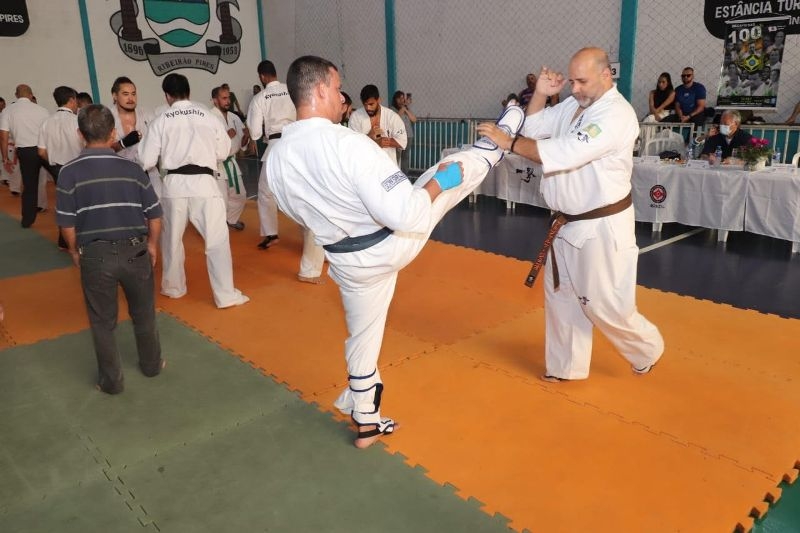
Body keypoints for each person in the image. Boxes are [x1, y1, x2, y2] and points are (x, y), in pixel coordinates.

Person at [267, 55, 525, 448]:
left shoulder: (276, 158)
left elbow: (293, 211)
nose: (342, 97)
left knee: (362, 335)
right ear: (319, 90)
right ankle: (496, 143)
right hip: (387, 246)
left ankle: (367, 420)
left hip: (345, 262)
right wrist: (440, 184)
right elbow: (407, 214)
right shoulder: (348, 144)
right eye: (337, 88)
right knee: (447, 170)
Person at [476, 47, 664, 382]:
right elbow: (534, 127)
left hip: (600, 225)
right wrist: (540, 94)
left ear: (606, 75)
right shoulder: (574, 104)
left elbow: (563, 152)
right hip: (565, 221)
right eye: (572, 81)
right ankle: (566, 367)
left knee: (603, 304)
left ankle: (647, 350)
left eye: (581, 81)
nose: (574, 88)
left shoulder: (614, 115)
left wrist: (508, 142)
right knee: (561, 296)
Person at [55, 104, 164, 394]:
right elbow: (155, 214)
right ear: (114, 133)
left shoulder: (68, 173)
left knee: (102, 321)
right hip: (136, 251)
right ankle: (152, 365)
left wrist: (75, 251)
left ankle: (112, 382)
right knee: (144, 313)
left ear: (80, 134)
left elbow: (66, 223)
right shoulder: (133, 169)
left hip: (96, 255)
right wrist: (152, 245)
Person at [138, 73, 249, 309]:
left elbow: (146, 160)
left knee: (172, 241)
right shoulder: (208, 116)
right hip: (205, 183)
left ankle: (174, 287)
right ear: (188, 92)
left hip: (174, 185)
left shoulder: (161, 120)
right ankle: (225, 295)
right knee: (217, 241)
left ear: (167, 96)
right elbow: (223, 152)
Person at [246, 59, 296, 250]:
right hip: (297, 142)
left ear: (262, 76)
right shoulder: (292, 90)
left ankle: (271, 233)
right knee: (302, 190)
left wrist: (255, 135)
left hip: (276, 146)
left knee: (265, 192)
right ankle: (317, 237)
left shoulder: (260, 98)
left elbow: (255, 132)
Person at [37, 85, 83, 249]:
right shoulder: (77, 120)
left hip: (58, 169)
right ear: (72, 100)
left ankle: (63, 242)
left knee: (64, 204)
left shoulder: (46, 122)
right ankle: (81, 241)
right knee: (81, 204)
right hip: (78, 167)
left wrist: (54, 163)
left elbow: (41, 152)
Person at [0, 84, 50, 228]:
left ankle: (27, 220)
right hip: (44, 149)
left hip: (26, 152)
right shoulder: (42, 110)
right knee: (55, 180)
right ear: (31, 95)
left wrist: (5, 158)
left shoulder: (8, 111)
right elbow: (49, 132)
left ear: (16, 95)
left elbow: (3, 137)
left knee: (29, 186)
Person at [109, 77, 161, 197]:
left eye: (133, 94)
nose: (131, 98)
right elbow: (100, 149)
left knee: (157, 206)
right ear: (115, 96)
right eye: (125, 94)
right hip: (120, 177)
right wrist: (122, 144)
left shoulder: (148, 114)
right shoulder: (107, 118)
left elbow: (159, 145)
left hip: (149, 175)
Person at [211, 85, 248, 231]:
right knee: (221, 200)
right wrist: (226, 136)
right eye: (224, 98)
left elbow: (241, 143)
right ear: (215, 100)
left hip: (232, 163)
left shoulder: (234, 117)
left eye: (229, 98)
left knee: (240, 195)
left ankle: (231, 219)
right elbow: (206, 143)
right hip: (217, 165)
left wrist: (246, 137)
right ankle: (216, 227)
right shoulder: (209, 118)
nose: (228, 101)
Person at [349, 84, 407, 165]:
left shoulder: (391, 117)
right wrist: (370, 138)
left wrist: (384, 141)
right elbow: (352, 144)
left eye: (371, 104)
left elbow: (402, 141)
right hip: (365, 165)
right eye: (365, 104)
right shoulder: (356, 117)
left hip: (387, 165)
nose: (368, 108)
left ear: (379, 100)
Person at [391, 90, 417, 174]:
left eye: (403, 98)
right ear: (395, 99)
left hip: (408, 135)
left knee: (405, 157)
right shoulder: (392, 109)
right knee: (397, 156)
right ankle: (396, 174)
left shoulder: (406, 109)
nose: (402, 100)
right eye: (399, 98)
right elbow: (396, 117)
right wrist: (404, 107)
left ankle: (405, 175)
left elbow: (414, 119)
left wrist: (406, 109)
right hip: (398, 136)